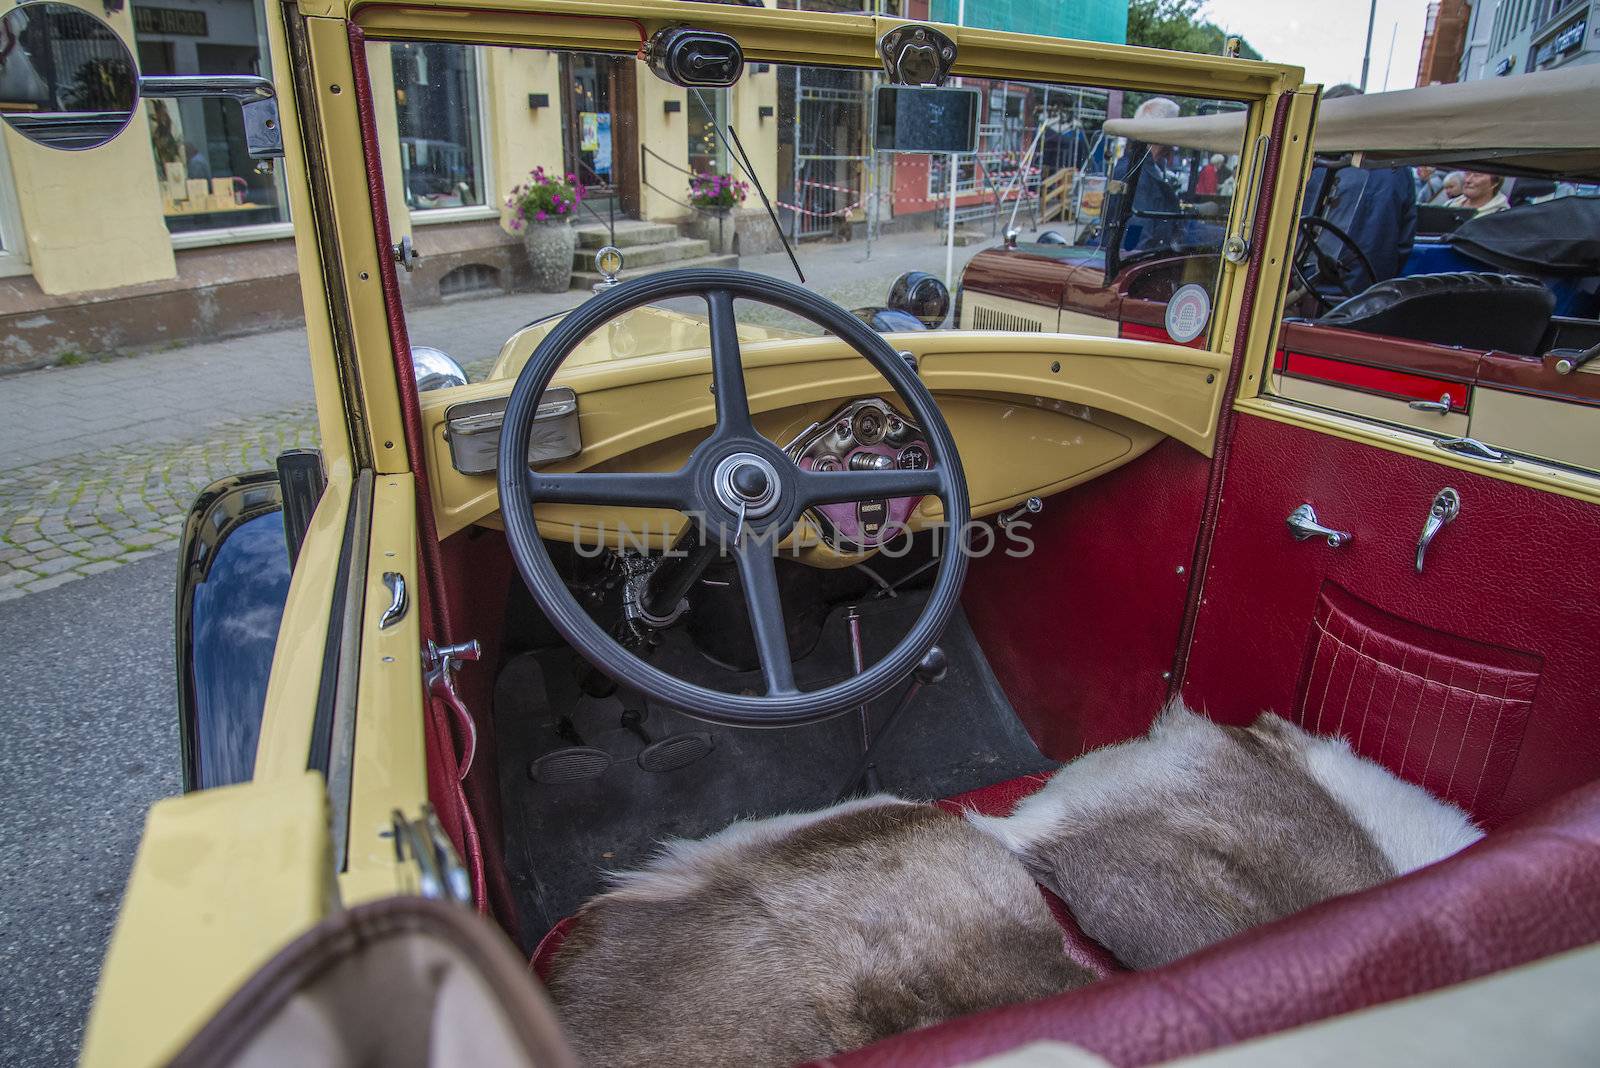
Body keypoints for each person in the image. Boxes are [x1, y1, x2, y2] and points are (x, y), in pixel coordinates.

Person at [1312, 84, 1417, 293]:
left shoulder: (1317, 168)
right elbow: (1403, 244)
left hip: (1312, 291)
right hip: (1369, 297)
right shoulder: (1399, 169)